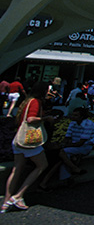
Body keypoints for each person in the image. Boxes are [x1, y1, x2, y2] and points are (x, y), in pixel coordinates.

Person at [2, 82, 54, 213]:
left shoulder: (27, 101)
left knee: (16, 169)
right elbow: (30, 119)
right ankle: (18, 196)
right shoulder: (36, 102)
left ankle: (6, 201)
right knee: (42, 165)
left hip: (19, 138)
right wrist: (45, 118)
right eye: (47, 90)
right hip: (29, 140)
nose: (49, 92)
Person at [39, 107, 93, 190]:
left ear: (82, 117)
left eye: (76, 115)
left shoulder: (88, 124)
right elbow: (67, 137)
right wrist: (63, 143)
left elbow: (81, 143)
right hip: (71, 147)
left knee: (62, 154)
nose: (73, 116)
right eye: (73, 114)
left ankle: (66, 177)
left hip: (84, 146)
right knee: (62, 157)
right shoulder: (72, 123)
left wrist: (63, 146)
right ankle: (71, 173)